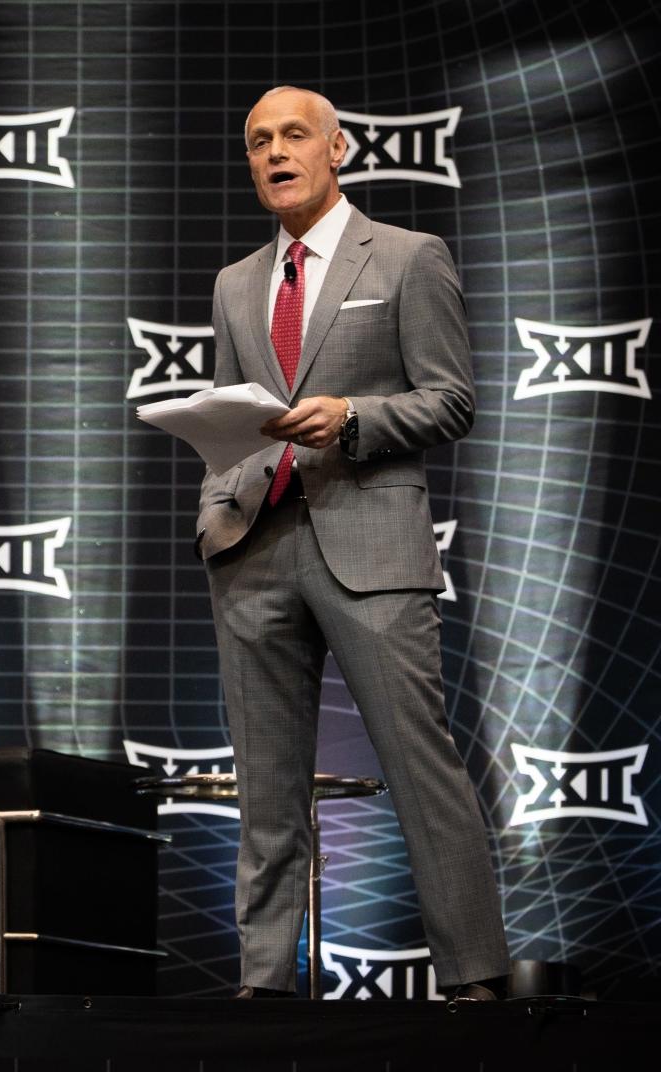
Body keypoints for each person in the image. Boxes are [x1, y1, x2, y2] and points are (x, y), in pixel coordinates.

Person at [196, 86, 510, 1001]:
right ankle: (264, 984)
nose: (274, 152)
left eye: (293, 135)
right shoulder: (234, 283)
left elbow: (451, 400)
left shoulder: (411, 257)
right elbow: (229, 411)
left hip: (370, 545)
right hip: (254, 548)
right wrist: (217, 503)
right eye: (257, 141)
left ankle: (475, 980)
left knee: (423, 769)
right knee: (267, 788)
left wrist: (355, 417)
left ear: (338, 148)